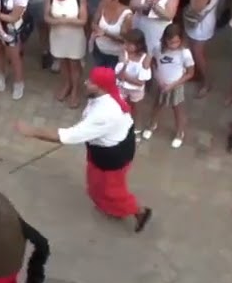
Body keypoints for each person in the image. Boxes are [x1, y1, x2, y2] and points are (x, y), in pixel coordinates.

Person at [15, 66, 153, 233]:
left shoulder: (103, 114)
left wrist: (32, 132)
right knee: (96, 185)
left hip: (112, 157)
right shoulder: (104, 97)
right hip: (103, 151)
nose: (86, 83)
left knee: (112, 191)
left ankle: (139, 211)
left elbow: (66, 135)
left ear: (101, 87)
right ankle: (113, 208)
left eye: (92, 82)